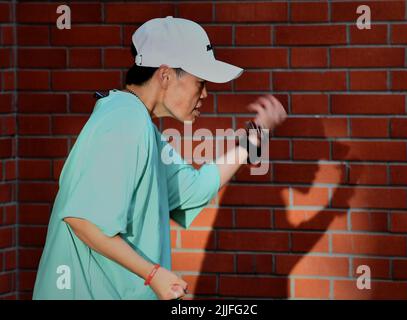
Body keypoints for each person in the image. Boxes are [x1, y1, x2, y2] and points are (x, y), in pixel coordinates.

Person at [33, 16, 287, 300]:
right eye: (200, 82)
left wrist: (257, 134)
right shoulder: (124, 119)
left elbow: (194, 190)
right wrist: (154, 275)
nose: (205, 94)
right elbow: (82, 218)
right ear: (165, 75)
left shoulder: (141, 125)